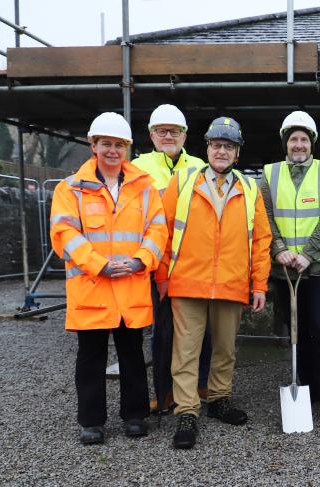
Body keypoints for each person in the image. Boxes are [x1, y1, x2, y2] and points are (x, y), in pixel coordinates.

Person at [50, 112, 168, 444]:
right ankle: (91, 422)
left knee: (131, 354)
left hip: (130, 286)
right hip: (92, 288)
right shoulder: (70, 189)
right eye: (106, 144)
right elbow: (64, 233)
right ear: (93, 145)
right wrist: (97, 264)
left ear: (127, 147)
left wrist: (140, 261)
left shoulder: (144, 187)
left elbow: (158, 230)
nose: (112, 150)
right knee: (91, 357)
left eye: (118, 144)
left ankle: (135, 416)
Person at [157, 116, 271, 449]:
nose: (222, 151)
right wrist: (162, 275)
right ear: (207, 148)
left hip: (232, 283)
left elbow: (261, 240)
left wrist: (259, 284)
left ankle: (219, 399)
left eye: (229, 146)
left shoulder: (250, 189)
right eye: (217, 145)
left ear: (237, 153)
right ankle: (187, 411)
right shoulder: (183, 182)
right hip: (187, 282)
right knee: (186, 351)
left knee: (224, 349)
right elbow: (162, 231)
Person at [258, 110, 320, 426]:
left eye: (303, 139)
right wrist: (279, 250)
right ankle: (307, 389)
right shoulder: (270, 173)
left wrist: (308, 254)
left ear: (312, 143)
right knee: (297, 332)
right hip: (284, 269)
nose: (298, 145)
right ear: (286, 143)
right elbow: (264, 216)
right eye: (293, 139)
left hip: (319, 267)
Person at [131, 104, 211, 412]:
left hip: (194, 262)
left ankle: (200, 386)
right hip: (157, 262)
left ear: (185, 135)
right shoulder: (138, 168)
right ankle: (163, 394)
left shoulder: (200, 166)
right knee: (162, 332)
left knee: (201, 329)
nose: (168, 136)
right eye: (162, 131)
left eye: (174, 131)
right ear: (151, 135)